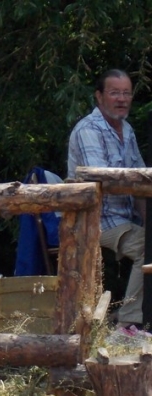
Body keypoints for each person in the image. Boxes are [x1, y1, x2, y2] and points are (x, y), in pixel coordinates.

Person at [68, 68, 146, 332]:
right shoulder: (88, 130)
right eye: (115, 93)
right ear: (99, 96)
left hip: (124, 219)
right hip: (97, 218)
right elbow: (101, 179)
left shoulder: (127, 130)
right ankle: (127, 324)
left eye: (126, 93)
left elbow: (142, 184)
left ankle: (135, 321)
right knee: (147, 247)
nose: (122, 99)